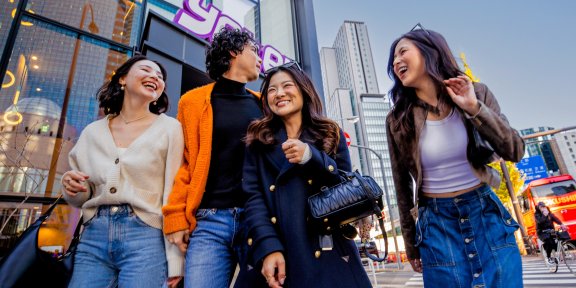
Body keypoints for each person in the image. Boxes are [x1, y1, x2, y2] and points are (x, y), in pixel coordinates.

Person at [385, 25, 525, 288]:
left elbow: (514, 150)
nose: (396, 62)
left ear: (430, 51)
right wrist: (410, 244)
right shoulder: (398, 119)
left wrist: (474, 108)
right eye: (393, 59)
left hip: (485, 214)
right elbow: (401, 184)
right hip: (436, 225)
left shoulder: (477, 93)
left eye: (403, 52)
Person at [238, 63, 372, 288]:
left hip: (327, 248)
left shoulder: (329, 132)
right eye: (271, 90)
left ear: (303, 90)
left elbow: (346, 188)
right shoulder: (258, 139)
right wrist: (268, 246)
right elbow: (253, 198)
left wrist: (312, 158)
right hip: (279, 247)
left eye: (287, 86)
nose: (279, 93)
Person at [62, 55, 185, 288]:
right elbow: (82, 194)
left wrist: (175, 260)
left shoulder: (170, 128)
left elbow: (174, 194)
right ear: (122, 79)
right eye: (146, 70)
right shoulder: (92, 132)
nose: (155, 77)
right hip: (93, 235)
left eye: (160, 76)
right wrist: (72, 186)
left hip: (147, 237)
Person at [162, 28, 262, 288]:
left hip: (257, 220)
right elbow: (184, 164)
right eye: (253, 50)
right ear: (233, 51)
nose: (259, 58)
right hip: (209, 223)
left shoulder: (265, 105)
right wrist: (175, 217)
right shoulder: (192, 102)